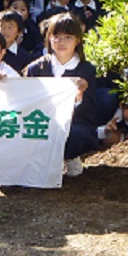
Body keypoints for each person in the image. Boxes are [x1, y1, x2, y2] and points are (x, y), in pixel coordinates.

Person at [22, 13, 98, 177]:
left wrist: (79, 96)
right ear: (49, 38)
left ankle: (70, 157)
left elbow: (90, 111)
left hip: (75, 122)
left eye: (68, 37)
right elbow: (26, 101)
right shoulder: (36, 68)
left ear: (77, 40)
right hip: (40, 119)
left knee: (75, 134)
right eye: (57, 36)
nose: (61, 42)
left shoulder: (87, 70)